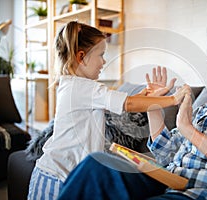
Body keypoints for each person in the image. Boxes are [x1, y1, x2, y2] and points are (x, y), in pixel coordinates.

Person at [57, 22, 207, 199]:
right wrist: (153, 106)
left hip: (204, 192)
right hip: (168, 180)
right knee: (97, 165)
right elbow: (166, 151)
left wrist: (189, 130)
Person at [27, 21, 190, 200]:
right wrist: (172, 99)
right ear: (81, 57)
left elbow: (121, 104)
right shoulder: (81, 87)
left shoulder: (78, 87)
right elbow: (128, 104)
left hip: (68, 174)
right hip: (54, 175)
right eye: (101, 55)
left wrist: (146, 95)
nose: (104, 61)